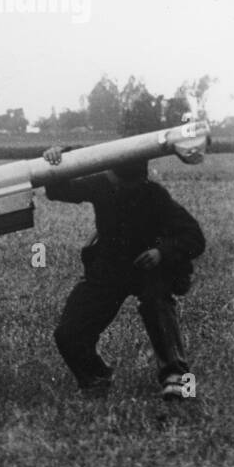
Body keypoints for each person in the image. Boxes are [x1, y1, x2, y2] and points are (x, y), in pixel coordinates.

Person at [41, 146, 205, 400]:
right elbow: (58, 191)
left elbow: (194, 237)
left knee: (158, 303)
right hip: (109, 270)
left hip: (149, 271)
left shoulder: (155, 195)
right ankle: (95, 376)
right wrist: (57, 158)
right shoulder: (102, 184)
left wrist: (161, 252)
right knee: (68, 333)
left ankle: (177, 378)